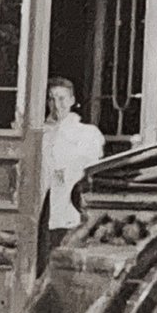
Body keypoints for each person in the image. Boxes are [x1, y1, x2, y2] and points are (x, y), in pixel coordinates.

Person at [36, 77, 105, 279]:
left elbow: (87, 167)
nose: (57, 105)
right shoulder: (41, 133)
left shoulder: (86, 134)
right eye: (51, 99)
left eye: (62, 98)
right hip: (45, 207)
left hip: (71, 206)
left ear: (73, 100)